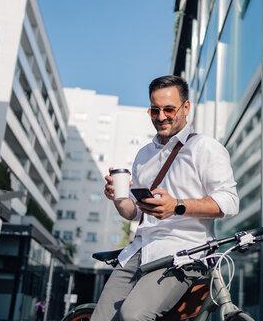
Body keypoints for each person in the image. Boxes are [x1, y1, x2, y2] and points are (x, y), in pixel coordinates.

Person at [91, 75, 239, 321]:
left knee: (133, 316)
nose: (161, 117)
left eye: (169, 109)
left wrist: (177, 207)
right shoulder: (144, 155)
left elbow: (229, 201)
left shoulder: (205, 147)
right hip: (138, 250)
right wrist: (118, 199)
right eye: (154, 110)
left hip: (182, 255)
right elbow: (134, 213)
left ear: (186, 107)